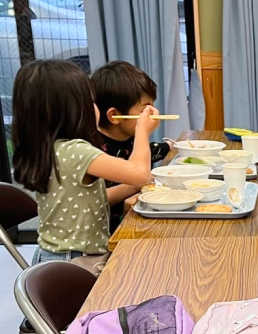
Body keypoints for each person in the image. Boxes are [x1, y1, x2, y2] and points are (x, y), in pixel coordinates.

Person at [11, 60, 157, 264]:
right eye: (91, 102)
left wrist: (138, 185)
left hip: (51, 258)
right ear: (73, 110)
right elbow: (139, 171)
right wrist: (142, 131)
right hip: (75, 261)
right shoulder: (76, 151)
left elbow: (92, 200)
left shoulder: (50, 148)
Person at [91, 60, 171, 230]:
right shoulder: (93, 149)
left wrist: (170, 146)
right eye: (145, 110)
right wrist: (135, 184)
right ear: (114, 115)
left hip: (134, 219)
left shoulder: (129, 136)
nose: (154, 114)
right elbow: (95, 199)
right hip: (106, 234)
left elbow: (150, 151)